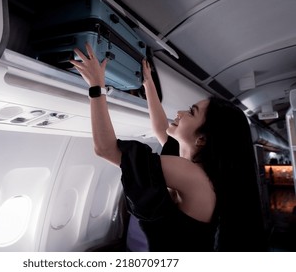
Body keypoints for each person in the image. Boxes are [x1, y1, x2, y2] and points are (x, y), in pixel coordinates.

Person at [70, 43, 267, 252]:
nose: (181, 112)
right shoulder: (190, 164)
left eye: (191, 112)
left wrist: (96, 86)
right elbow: (161, 128)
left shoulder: (194, 176)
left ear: (202, 140)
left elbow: (106, 148)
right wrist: (148, 83)